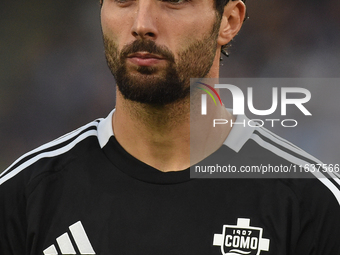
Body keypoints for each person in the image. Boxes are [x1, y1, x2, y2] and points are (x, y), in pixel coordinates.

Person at [1, 0, 339, 254]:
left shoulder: (312, 202)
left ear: (229, 21)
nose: (142, 24)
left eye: (174, 0)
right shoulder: (24, 197)